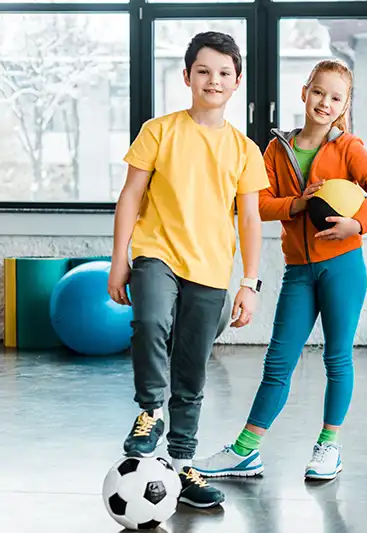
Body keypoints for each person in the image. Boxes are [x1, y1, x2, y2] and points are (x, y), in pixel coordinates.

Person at [193, 59, 367, 481]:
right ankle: (246, 451)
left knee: (337, 358)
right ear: (304, 92)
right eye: (318, 92)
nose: (325, 102)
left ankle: (329, 446)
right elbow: (258, 205)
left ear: (344, 106)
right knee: (278, 361)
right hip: (299, 271)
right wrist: (301, 203)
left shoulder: (349, 148)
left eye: (335, 98)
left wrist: (358, 224)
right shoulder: (275, 149)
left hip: (342, 265)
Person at [108, 31, 267, 508]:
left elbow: (251, 218)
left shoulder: (244, 150)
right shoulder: (159, 131)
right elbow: (131, 196)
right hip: (157, 252)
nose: (212, 80)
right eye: (203, 71)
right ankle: (150, 411)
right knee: (151, 320)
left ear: (236, 82)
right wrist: (120, 261)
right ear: (186, 77)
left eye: (223, 73)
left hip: (212, 270)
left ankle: (182, 464)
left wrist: (249, 283)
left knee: (193, 367)